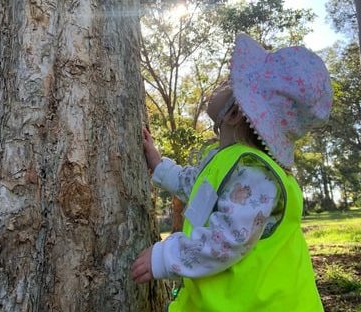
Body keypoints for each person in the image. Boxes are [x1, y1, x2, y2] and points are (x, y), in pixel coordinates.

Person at [131, 33, 333, 312]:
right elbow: (194, 184)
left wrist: (166, 256)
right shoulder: (226, 162)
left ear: (234, 112)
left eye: (229, 83)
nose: (221, 83)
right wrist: (157, 163)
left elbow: (226, 239)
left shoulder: (257, 174)